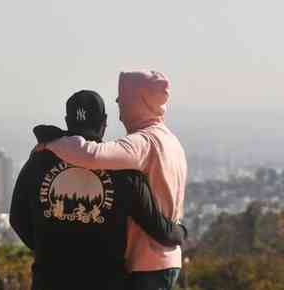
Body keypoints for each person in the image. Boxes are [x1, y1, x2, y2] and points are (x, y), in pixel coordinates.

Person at [10, 90, 186, 290]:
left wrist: (48, 250)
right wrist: (180, 232)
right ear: (104, 123)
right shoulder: (123, 169)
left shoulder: (38, 159)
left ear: (67, 120)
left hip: (49, 279)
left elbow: (17, 218)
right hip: (107, 280)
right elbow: (154, 224)